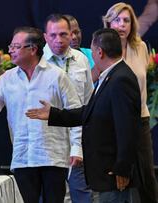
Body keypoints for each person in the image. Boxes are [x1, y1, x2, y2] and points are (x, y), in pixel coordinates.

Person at [0, 26, 81, 203]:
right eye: (11, 46)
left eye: (15, 47)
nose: (10, 51)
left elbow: (76, 112)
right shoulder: (7, 79)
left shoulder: (57, 76)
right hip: (22, 158)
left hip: (53, 158)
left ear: (32, 49)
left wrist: (77, 148)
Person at [26, 28, 141, 202]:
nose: (92, 56)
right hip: (105, 174)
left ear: (100, 52)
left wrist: (122, 168)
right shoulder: (110, 77)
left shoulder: (120, 79)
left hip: (115, 175)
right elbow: (90, 113)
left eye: (93, 51)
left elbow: (127, 128)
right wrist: (54, 114)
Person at [103, 3, 158, 202]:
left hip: (139, 120)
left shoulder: (140, 47)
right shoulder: (102, 47)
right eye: (117, 19)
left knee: (146, 177)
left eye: (126, 20)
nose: (122, 24)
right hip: (112, 123)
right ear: (109, 22)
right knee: (117, 177)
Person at [42, 13, 93, 203]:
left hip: (77, 141)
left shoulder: (81, 59)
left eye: (64, 34)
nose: (59, 40)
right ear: (45, 36)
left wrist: (78, 145)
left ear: (72, 34)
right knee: (50, 197)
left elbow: (87, 104)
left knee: (81, 195)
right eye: (53, 35)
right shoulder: (37, 62)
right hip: (47, 144)